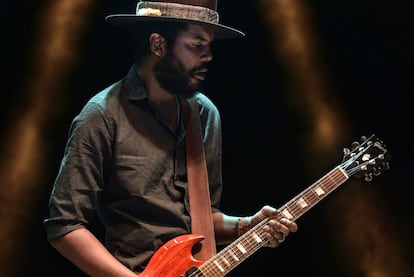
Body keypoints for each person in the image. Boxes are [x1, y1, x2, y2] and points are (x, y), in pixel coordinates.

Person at [43, 0, 298, 276]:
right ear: (157, 44)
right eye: (197, 44)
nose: (209, 55)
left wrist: (246, 225)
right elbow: (65, 225)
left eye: (209, 45)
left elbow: (203, 218)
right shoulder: (102, 116)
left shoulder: (204, 114)